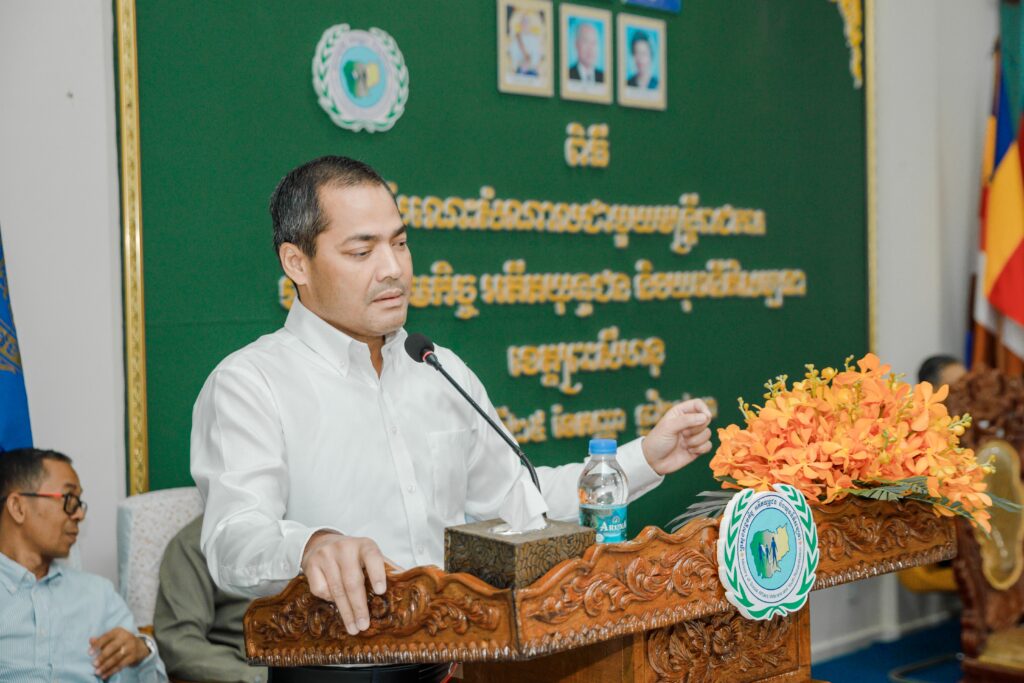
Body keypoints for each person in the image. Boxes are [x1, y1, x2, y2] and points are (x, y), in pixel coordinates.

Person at [190, 156, 713, 681]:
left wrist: (642, 459)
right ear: (296, 262)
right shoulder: (250, 383)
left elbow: (521, 506)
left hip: (457, 667)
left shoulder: (437, 368)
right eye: (362, 251)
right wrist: (311, 546)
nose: (392, 268)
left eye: (399, 243)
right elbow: (234, 540)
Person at [0, 447, 167, 682]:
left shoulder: (98, 595)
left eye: (79, 502)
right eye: (69, 499)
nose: (79, 514)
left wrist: (141, 654)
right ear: (18, 507)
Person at [153, 515, 267, 683]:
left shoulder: (302, 530)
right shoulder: (195, 543)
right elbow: (177, 644)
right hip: (248, 669)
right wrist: (262, 677)